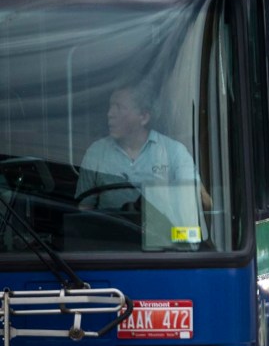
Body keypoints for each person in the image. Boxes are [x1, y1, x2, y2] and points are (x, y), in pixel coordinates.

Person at [75, 84, 211, 234]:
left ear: (144, 117)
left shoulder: (173, 152)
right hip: (112, 244)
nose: (110, 114)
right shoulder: (96, 152)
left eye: (119, 107)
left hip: (164, 244)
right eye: (110, 107)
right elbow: (83, 212)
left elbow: (203, 202)